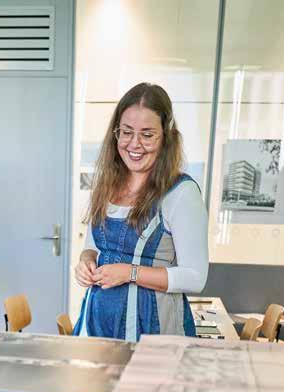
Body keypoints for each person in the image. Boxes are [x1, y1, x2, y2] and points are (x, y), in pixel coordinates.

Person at [73, 82, 208, 340]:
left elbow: (195, 277)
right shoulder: (106, 184)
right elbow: (92, 246)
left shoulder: (181, 194)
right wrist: (85, 262)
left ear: (166, 138)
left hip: (155, 332)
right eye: (126, 132)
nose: (134, 144)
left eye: (147, 135)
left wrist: (129, 273)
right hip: (97, 325)